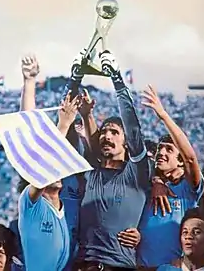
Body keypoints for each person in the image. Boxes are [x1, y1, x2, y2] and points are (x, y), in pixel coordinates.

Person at [59, 50, 151, 270]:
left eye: (114, 132)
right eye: (104, 132)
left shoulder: (136, 174)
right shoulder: (90, 171)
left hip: (119, 266)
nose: (107, 136)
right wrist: (75, 79)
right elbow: (67, 120)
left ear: (126, 143)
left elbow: (133, 127)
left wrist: (117, 79)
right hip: (84, 265)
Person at [137, 85, 204, 270]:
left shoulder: (188, 189)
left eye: (169, 149)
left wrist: (163, 115)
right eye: (160, 148)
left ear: (180, 162)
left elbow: (191, 158)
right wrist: (156, 180)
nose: (161, 152)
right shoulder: (149, 184)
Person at [18, 55, 71, 271]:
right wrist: (29, 83)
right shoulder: (30, 204)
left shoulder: (62, 209)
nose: (56, 169)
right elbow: (27, 129)